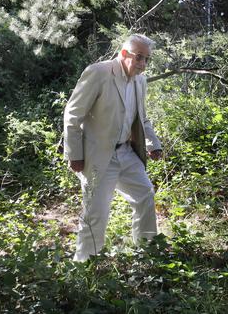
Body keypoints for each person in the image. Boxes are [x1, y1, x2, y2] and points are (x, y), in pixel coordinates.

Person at [63, 34, 163, 262]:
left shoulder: (140, 81)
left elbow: (142, 118)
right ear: (124, 54)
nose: (143, 64)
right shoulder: (98, 73)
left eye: (147, 59)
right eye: (139, 57)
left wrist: (153, 144)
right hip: (97, 155)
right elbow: (72, 115)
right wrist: (74, 155)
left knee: (145, 194)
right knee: (96, 212)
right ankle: (85, 263)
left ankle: (147, 253)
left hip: (126, 153)